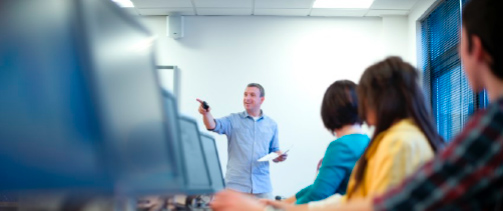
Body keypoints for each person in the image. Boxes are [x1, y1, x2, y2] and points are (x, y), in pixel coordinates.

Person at [263, 0, 503, 210]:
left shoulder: (399, 141)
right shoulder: (388, 139)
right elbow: (354, 199)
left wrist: (279, 208)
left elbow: (382, 204)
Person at [210, 56, 445, 211]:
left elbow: (358, 203)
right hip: (241, 183)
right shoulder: (389, 139)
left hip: (260, 186)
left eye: (366, 97)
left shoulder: (399, 142)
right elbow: (348, 200)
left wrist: (265, 207)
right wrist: (280, 204)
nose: (362, 105)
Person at [281, 80, 370, 205]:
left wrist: (281, 209)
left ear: (329, 110)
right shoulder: (367, 141)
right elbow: (320, 185)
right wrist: (285, 202)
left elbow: (318, 195)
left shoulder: (341, 146)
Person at [197, 83, 286, 199]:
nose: (247, 98)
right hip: (236, 187)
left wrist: (279, 156)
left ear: (261, 99)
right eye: (245, 95)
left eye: (252, 95)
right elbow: (212, 125)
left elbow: (275, 151)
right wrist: (206, 113)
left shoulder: (271, 124)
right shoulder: (233, 120)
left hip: (262, 187)